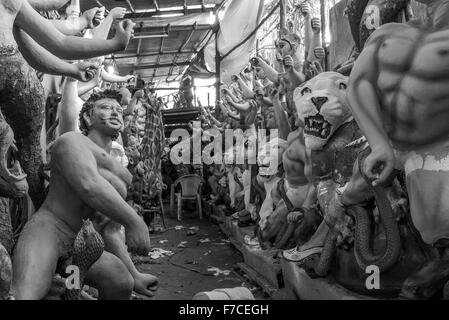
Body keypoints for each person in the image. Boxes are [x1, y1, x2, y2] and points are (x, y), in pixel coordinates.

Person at [12, 91, 153, 300]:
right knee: (27, 294)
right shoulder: (70, 142)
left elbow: (110, 229)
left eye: (118, 110)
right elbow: (90, 186)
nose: (115, 112)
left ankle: (70, 288)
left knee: (120, 282)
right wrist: (135, 222)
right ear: (88, 117)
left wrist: (135, 275)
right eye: (105, 107)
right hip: (49, 230)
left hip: (82, 247)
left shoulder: (121, 172)